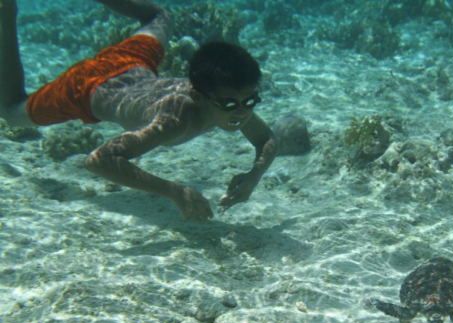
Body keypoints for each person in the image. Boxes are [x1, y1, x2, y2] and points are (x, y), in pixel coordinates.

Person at [0, 0, 277, 222]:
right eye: (229, 104)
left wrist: (253, 176)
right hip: (84, 88)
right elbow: (98, 160)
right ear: (198, 97)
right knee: (11, 111)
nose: (241, 113)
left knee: (160, 16)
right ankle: (7, 10)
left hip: (132, 62)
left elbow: (267, 139)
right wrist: (175, 192)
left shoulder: (234, 105)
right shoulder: (175, 121)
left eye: (251, 101)